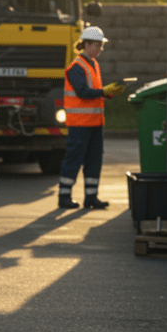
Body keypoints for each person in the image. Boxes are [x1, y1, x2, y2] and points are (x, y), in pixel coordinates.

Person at [58, 26, 124, 210]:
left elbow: (93, 93)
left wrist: (108, 94)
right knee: (74, 159)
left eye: (101, 46)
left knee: (94, 161)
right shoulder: (76, 67)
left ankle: (91, 197)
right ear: (86, 45)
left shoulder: (93, 65)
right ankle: (64, 197)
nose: (100, 49)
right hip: (80, 124)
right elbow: (83, 92)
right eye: (97, 45)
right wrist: (104, 91)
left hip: (94, 123)